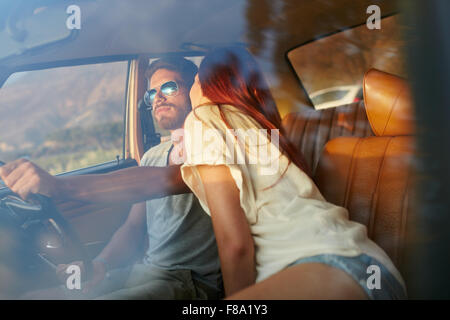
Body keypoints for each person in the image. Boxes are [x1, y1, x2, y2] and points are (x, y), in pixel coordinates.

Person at [180, 46, 407, 299]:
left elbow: (235, 244)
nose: (192, 88)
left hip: (326, 267)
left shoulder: (201, 118)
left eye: (194, 80)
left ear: (206, 84)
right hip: (370, 269)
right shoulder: (260, 126)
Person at [1, 57, 223, 299]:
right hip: (145, 271)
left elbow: (148, 183)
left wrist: (58, 186)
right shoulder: (152, 156)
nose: (158, 97)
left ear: (193, 91)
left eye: (169, 87)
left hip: (187, 281)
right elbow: (133, 227)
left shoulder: (210, 149)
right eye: (151, 93)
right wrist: (100, 265)